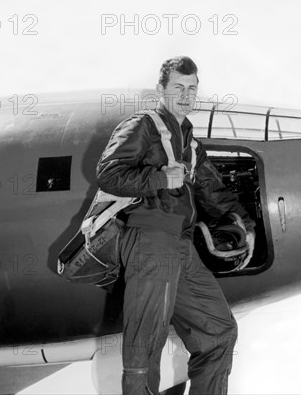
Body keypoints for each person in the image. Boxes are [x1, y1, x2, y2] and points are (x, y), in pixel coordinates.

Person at [96, 56, 256, 395]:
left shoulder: (191, 143)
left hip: (180, 245)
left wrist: (246, 223)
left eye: (192, 88)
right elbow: (109, 174)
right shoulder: (144, 125)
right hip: (149, 238)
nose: (186, 95)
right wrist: (158, 178)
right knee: (146, 343)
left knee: (218, 332)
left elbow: (213, 192)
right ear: (161, 90)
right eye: (179, 88)